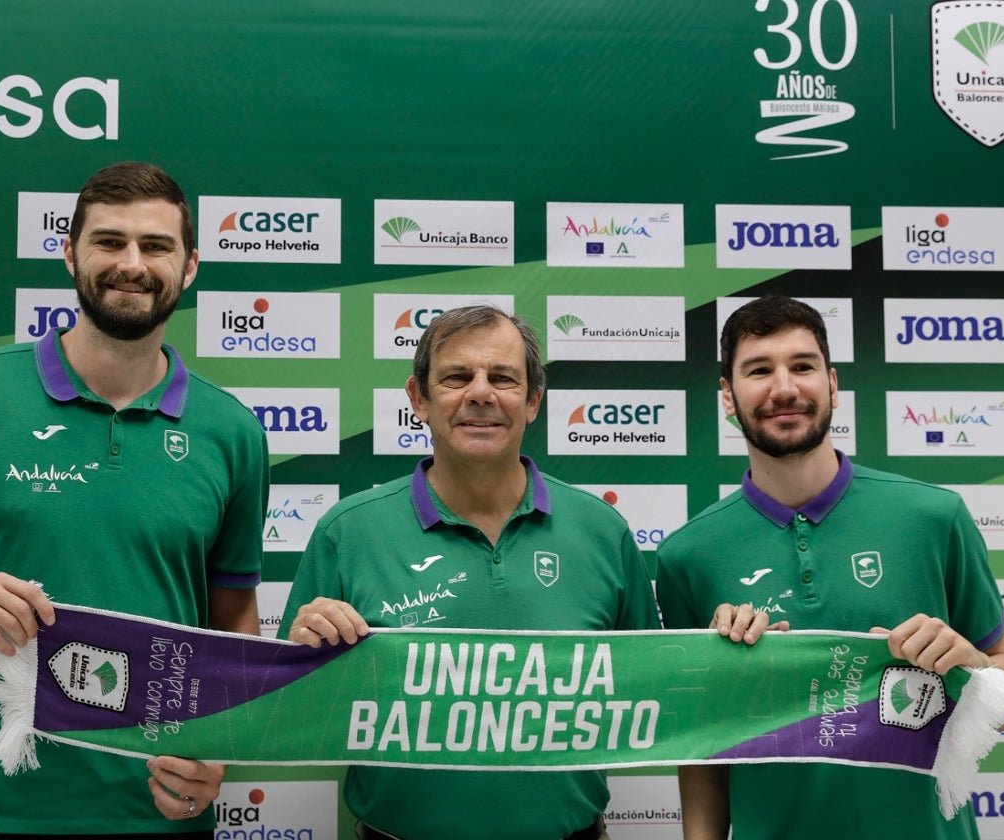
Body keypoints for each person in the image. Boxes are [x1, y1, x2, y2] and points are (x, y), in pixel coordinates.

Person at [0, 161, 270, 838]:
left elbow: (233, 622)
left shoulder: (233, 433)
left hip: (155, 819)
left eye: (155, 246)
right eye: (109, 241)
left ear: (189, 266)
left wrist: (220, 748)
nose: (132, 263)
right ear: (70, 252)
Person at [279, 304, 770, 840]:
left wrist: (729, 648)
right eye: (457, 377)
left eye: (504, 378)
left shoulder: (602, 531)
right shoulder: (347, 532)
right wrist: (305, 652)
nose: (481, 393)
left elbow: (660, 692)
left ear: (533, 400)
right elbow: (284, 712)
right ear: (419, 398)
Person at [655, 295, 1004, 840]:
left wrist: (970, 664)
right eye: (759, 370)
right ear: (728, 397)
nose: (784, 388)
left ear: (831, 385)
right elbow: (700, 747)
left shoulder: (934, 516)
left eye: (802, 366)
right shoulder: (687, 555)